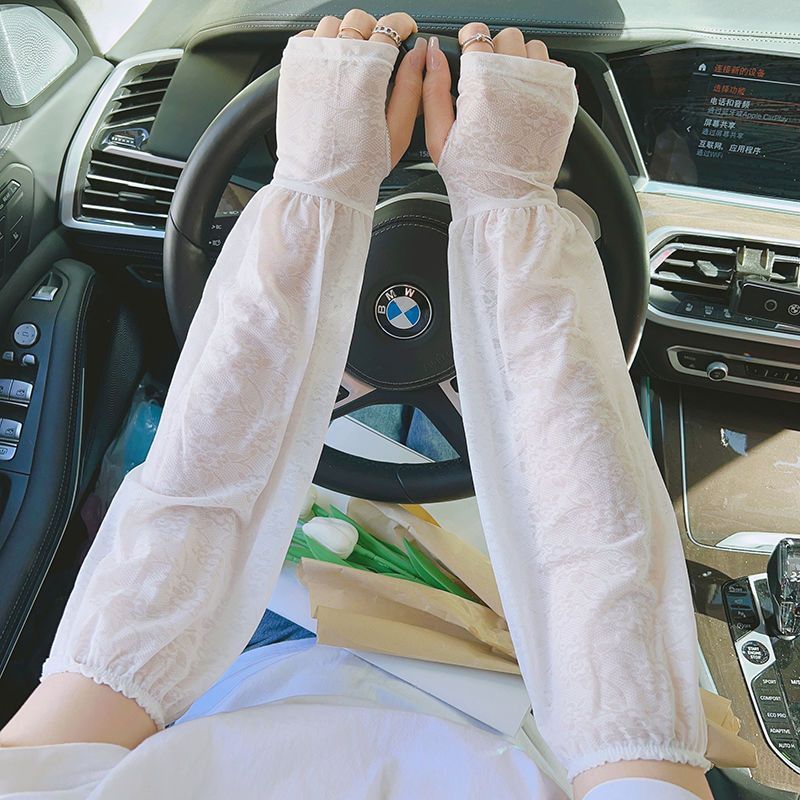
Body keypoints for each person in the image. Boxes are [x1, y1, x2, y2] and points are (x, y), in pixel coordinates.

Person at [0, 10, 713, 799]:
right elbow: (605, 597)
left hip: (238, 659)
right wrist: (507, 211)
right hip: (517, 698)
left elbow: (165, 566)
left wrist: (319, 191)